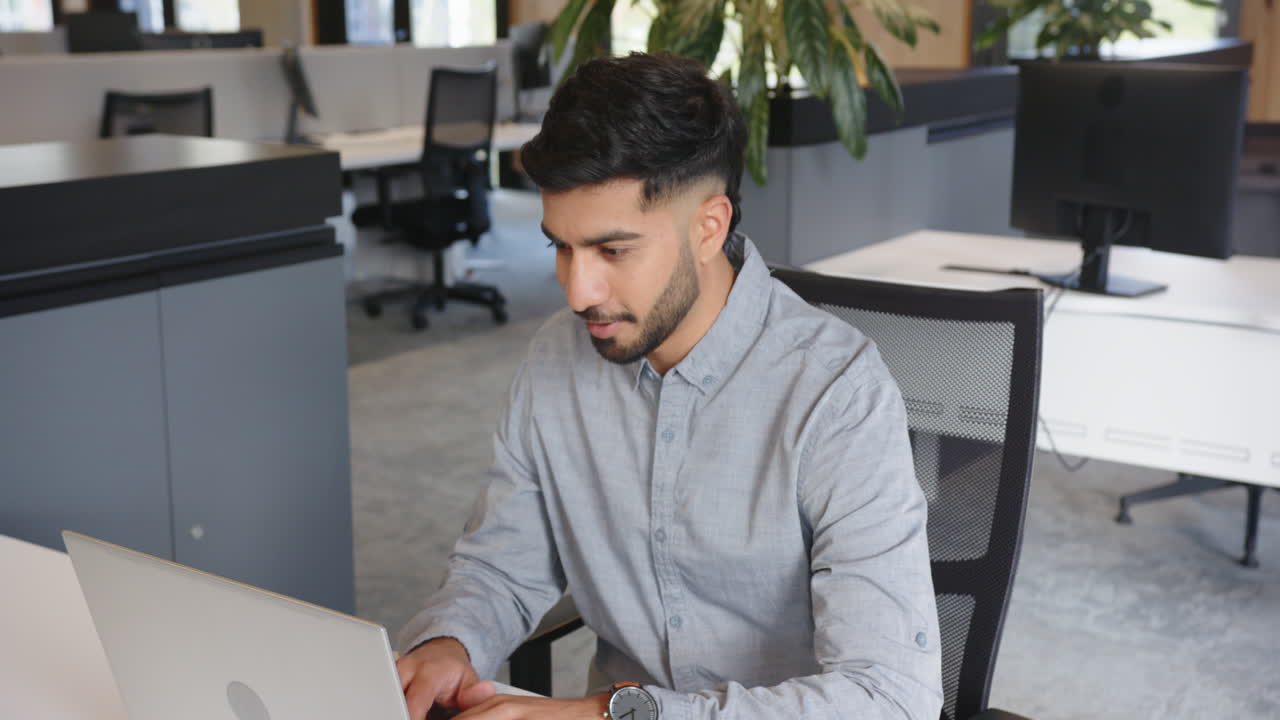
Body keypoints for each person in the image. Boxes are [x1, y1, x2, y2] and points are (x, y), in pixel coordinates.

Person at [394, 52, 942, 720]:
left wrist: (613, 714)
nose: (577, 291)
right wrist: (449, 642)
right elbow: (500, 565)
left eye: (612, 251)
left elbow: (891, 697)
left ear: (709, 228)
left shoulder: (837, 393)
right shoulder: (555, 360)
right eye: (560, 247)